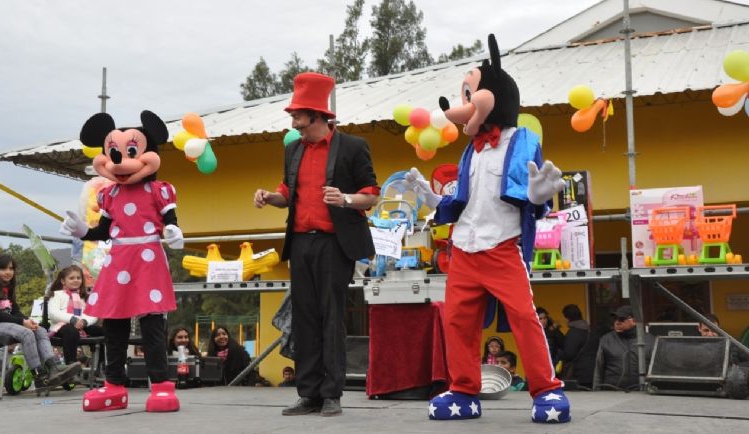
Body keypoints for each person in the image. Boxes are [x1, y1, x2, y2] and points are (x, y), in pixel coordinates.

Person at [406, 35, 568, 423]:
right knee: (457, 320)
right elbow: (465, 198)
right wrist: (432, 199)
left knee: (525, 318)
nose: (461, 107)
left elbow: (528, 190)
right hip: (464, 247)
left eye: (470, 94)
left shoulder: (522, 140)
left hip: (501, 246)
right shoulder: (470, 149)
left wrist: (538, 195)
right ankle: (464, 389)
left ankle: (547, 390)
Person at [253, 72, 380, 417]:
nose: (293, 121)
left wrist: (345, 198)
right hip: (300, 244)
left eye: (297, 115)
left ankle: (332, 394)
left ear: (316, 115)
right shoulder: (293, 149)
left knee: (331, 317)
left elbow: (372, 196)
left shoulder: (353, 147)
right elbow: (286, 194)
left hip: (334, 244)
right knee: (305, 318)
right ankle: (308, 393)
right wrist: (269, 196)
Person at [61, 110, 184, 412]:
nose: (119, 160)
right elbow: (102, 231)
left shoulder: (159, 189)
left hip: (148, 258)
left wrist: (173, 230)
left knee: (152, 325)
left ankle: (162, 385)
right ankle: (114, 384)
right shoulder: (109, 194)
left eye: (130, 152)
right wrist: (81, 230)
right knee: (114, 325)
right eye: (113, 153)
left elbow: (169, 218)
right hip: (118, 261)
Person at [0, 252, 81, 389]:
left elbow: (15, 310)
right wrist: (22, 323)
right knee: (25, 333)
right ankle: (39, 375)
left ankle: (54, 367)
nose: (8, 272)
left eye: (11, 269)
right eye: (4, 269)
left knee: (39, 330)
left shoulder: (7, 287)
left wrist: (28, 321)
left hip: (4, 324)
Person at [46, 264, 104, 366]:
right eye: (71, 278)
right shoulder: (56, 295)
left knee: (103, 331)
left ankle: (101, 363)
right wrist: (73, 320)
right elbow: (53, 313)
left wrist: (85, 322)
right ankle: (71, 364)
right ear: (63, 281)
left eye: (78, 278)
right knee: (71, 331)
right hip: (62, 326)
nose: (76, 280)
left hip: (81, 325)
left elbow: (92, 314)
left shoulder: (84, 297)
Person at [593, 305, 655, 391]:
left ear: (634, 321)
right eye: (615, 319)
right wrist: (596, 391)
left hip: (642, 392)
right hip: (611, 393)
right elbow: (598, 369)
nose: (617, 322)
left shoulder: (650, 340)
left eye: (622, 319)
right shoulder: (606, 339)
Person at [558, 304, 598, 388]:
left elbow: (569, 355)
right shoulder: (591, 330)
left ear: (567, 318)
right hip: (594, 372)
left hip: (578, 375)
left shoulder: (573, 333)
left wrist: (559, 353)